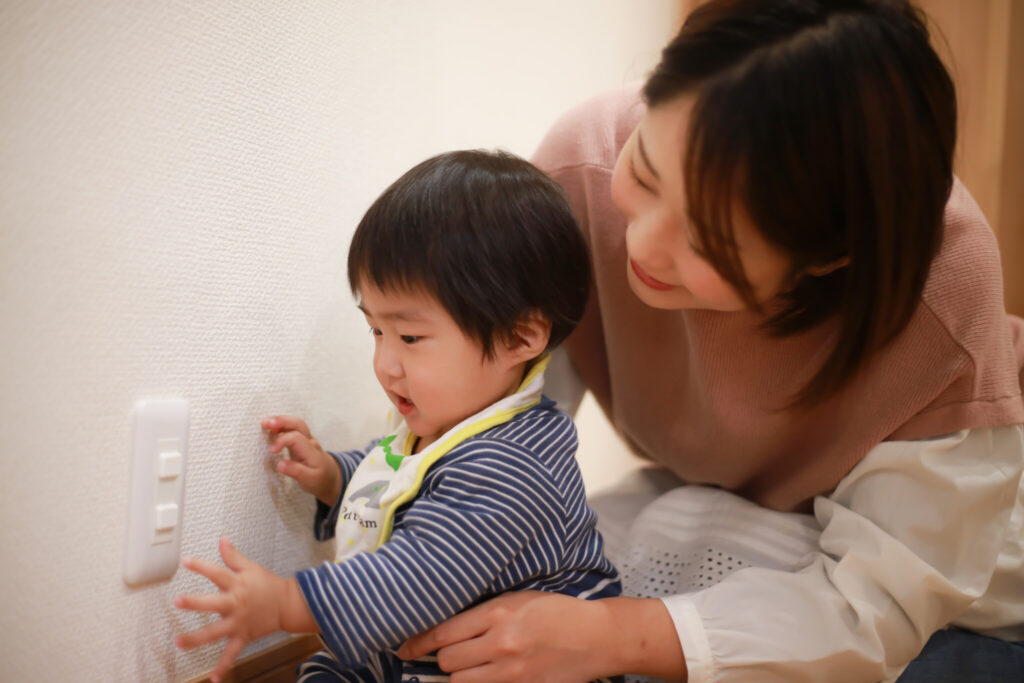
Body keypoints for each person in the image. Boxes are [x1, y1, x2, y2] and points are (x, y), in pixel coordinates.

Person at [397, 1, 1024, 681]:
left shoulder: (939, 295)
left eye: (709, 241)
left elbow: (877, 605)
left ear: (828, 259)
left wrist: (614, 636)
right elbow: (488, 420)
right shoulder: (581, 169)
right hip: (731, 505)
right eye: (644, 172)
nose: (642, 244)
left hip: (960, 582)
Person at [172, 150, 622, 682]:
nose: (385, 363)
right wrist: (335, 475)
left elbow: (413, 577)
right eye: (376, 332)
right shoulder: (450, 419)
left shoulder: (513, 466)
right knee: (325, 671)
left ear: (520, 337)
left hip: (519, 666)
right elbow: (399, 474)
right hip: (419, 648)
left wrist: (285, 603)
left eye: (409, 337)